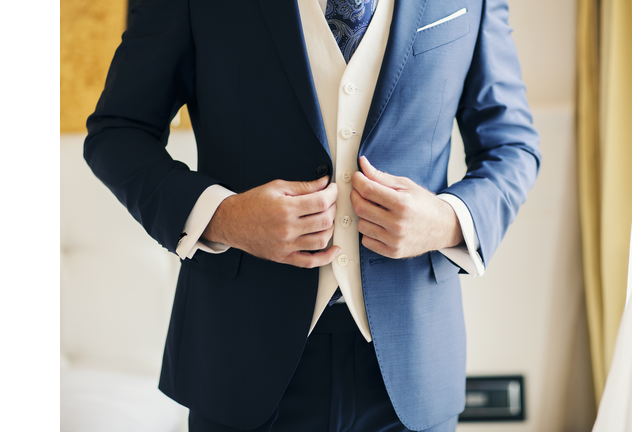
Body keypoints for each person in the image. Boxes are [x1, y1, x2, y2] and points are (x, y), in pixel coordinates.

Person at [85, 0, 540, 430]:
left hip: (413, 366)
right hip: (238, 360)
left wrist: (445, 221)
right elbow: (118, 132)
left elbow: (511, 147)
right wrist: (225, 216)